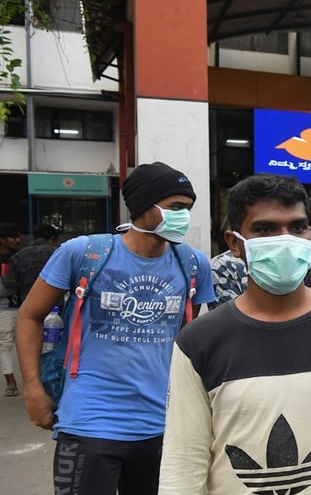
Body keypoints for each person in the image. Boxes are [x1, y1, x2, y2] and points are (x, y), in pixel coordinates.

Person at [159, 173, 311, 494]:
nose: (286, 239)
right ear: (235, 244)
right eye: (266, 229)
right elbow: (183, 464)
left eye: (297, 227)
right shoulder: (199, 340)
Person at [15, 162, 215, 495]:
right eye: (176, 208)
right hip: (89, 422)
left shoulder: (193, 264)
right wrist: (33, 389)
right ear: (142, 209)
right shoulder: (84, 252)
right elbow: (29, 316)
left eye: (188, 209)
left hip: (164, 424)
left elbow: (188, 338)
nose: (185, 217)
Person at [1, 223, 62, 394]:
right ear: (52, 239)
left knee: (32, 346)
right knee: (55, 345)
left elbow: (10, 283)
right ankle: (54, 381)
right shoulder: (58, 254)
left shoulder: (19, 256)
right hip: (57, 308)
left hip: (30, 309)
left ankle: (32, 382)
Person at [0, 222, 22, 397]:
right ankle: (10, 381)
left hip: (24, 306)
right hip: (5, 307)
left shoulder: (20, 257)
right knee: (5, 345)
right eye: (13, 237)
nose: (17, 240)